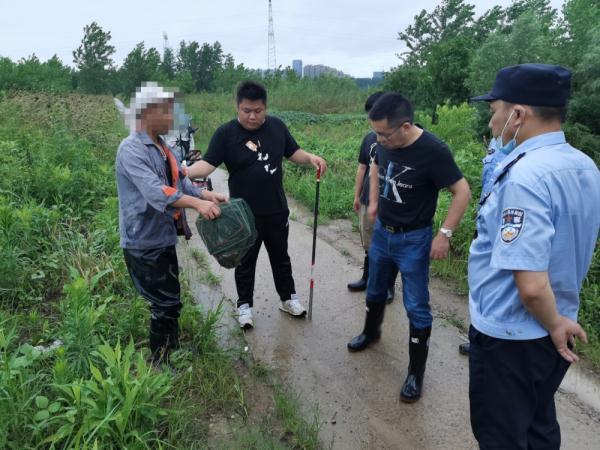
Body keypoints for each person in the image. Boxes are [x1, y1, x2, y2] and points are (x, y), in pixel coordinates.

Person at [468, 63, 600, 449]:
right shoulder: (584, 165)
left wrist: (554, 323)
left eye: (494, 111)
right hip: (553, 326)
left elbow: (530, 285)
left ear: (518, 114)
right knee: (538, 425)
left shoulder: (527, 177)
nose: (492, 122)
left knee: (502, 435)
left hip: (514, 334)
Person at [346, 93, 472, 403]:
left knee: (416, 305)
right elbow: (375, 166)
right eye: (375, 132)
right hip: (383, 234)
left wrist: (444, 234)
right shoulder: (384, 144)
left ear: (405, 127)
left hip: (413, 239)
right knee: (375, 289)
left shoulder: (433, 151)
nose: (378, 139)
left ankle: (416, 373)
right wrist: (373, 202)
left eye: (383, 134)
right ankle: (371, 332)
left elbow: (462, 191)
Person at [186, 80, 327, 329]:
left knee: (280, 257)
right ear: (237, 107)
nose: (252, 116)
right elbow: (207, 165)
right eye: (246, 111)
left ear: (266, 108)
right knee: (245, 260)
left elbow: (294, 153)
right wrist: (181, 172)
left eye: (258, 111)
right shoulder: (226, 134)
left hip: (276, 209)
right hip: (243, 215)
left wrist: (311, 158)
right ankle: (244, 305)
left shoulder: (277, 127)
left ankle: (288, 298)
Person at [116, 82, 227, 363]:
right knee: (164, 303)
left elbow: (179, 181)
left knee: (171, 299)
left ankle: (171, 349)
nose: (172, 119)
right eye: (167, 112)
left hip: (162, 236)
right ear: (149, 112)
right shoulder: (131, 150)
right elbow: (156, 191)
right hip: (143, 240)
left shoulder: (162, 147)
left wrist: (206, 194)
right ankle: (160, 362)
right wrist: (197, 204)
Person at [347, 91, 397, 303]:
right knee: (369, 243)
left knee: (388, 246)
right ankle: (367, 277)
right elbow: (362, 168)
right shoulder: (369, 139)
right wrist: (357, 195)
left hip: (392, 202)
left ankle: (388, 286)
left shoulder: (401, 137)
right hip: (369, 198)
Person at [458, 137, 505, 356]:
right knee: (481, 285)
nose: (492, 120)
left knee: (500, 289)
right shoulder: (498, 141)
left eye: (494, 110)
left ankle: (493, 342)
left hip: (504, 230)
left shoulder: (525, 155)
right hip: (486, 224)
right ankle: (479, 337)